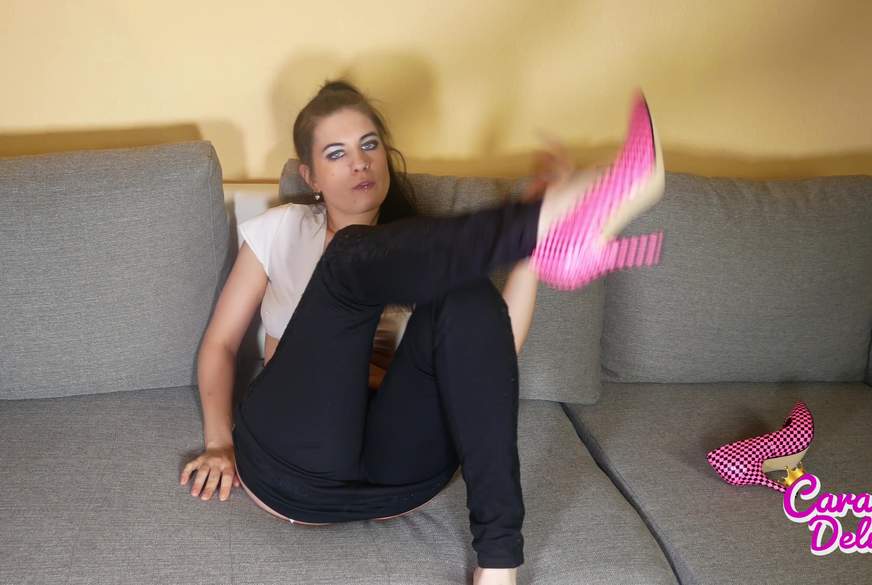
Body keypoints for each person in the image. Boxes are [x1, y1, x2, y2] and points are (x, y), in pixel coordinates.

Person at [180, 80, 595, 585]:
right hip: (295, 461)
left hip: (396, 473)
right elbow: (221, 344)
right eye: (337, 153)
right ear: (310, 175)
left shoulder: (427, 254)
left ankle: (499, 565)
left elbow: (491, 356)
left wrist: (531, 258)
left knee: (465, 288)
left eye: (369, 145)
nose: (360, 163)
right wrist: (218, 442)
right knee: (349, 255)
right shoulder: (281, 229)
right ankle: (524, 224)